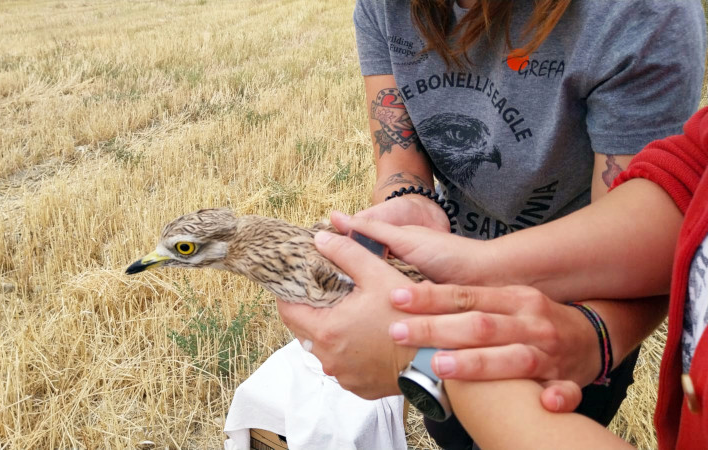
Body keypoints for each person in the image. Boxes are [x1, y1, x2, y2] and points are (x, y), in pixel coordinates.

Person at [278, 0, 706, 447]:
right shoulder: (382, 7)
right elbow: (397, 157)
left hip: (578, 302)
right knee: (450, 428)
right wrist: (409, 202)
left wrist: (593, 336)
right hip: (443, 273)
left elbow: (655, 227)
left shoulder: (639, 14)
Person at [329, 104, 708, 449]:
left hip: (574, 326)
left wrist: (424, 355)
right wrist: (476, 264)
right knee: (447, 430)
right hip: (488, 306)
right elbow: (690, 180)